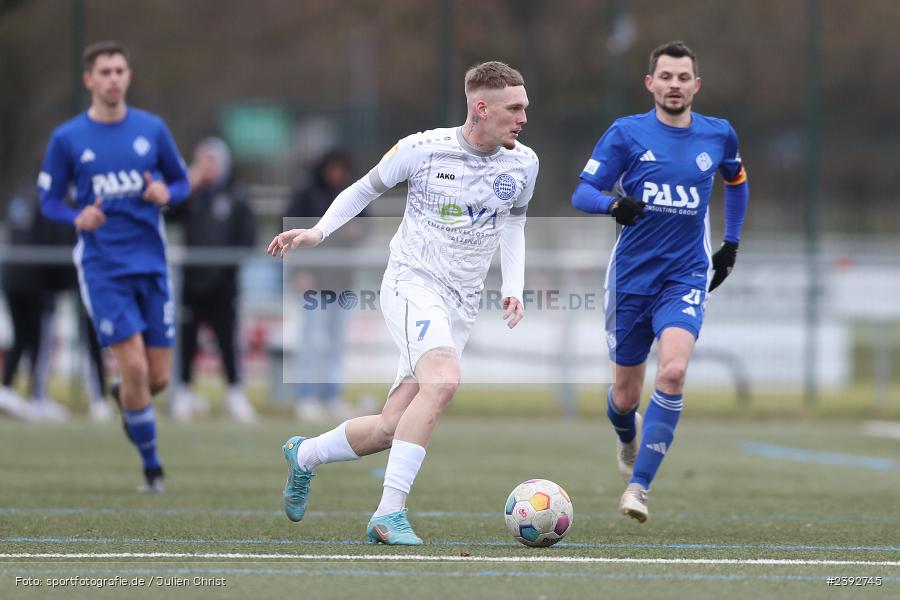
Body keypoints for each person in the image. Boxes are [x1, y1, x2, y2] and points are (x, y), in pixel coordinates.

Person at [268, 61, 538, 544]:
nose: (522, 118)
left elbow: (514, 223)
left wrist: (513, 286)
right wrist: (318, 232)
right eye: (514, 108)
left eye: (524, 108)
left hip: (461, 304)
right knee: (444, 379)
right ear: (481, 108)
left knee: (391, 427)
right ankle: (388, 514)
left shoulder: (524, 163)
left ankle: (304, 454)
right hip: (412, 284)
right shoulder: (422, 148)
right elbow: (364, 188)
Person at [572, 41, 749, 523]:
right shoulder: (626, 134)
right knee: (625, 397)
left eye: (683, 77)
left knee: (672, 373)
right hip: (631, 279)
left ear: (696, 85)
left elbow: (736, 180)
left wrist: (731, 243)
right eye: (666, 76)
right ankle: (626, 436)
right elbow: (582, 192)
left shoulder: (718, 134)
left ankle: (639, 487)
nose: (675, 85)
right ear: (650, 83)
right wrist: (612, 204)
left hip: (684, 276)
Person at [38, 41, 190, 493]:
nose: (113, 78)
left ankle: (127, 401)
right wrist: (76, 216)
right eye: (104, 71)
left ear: (128, 76)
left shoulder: (152, 129)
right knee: (135, 370)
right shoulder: (68, 138)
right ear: (89, 79)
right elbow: (48, 199)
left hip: (152, 265)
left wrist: (166, 194)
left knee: (158, 377)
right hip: (103, 268)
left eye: (120, 70)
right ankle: (152, 468)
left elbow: (181, 181)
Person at [168, 137, 257, 423]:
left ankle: (234, 394)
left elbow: (248, 237)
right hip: (192, 284)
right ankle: (182, 393)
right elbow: (169, 214)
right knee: (186, 341)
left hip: (224, 285)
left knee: (227, 341)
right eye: (201, 160)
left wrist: (228, 266)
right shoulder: (191, 195)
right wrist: (188, 184)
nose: (206, 167)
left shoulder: (236, 196)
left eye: (211, 161)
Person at [287, 150, 364, 421]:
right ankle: (305, 396)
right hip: (314, 281)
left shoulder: (353, 191)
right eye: (334, 168)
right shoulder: (305, 192)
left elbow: (364, 226)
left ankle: (332, 396)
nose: (338, 174)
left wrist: (356, 231)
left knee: (336, 343)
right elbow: (289, 230)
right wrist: (298, 271)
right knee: (310, 341)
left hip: (342, 280)